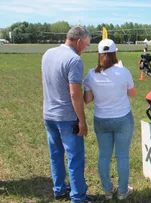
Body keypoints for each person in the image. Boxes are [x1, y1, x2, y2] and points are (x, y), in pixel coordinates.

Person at [41, 26, 94, 202]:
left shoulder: (48, 53)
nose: (85, 49)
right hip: (67, 117)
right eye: (86, 45)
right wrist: (82, 120)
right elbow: (75, 94)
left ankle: (59, 188)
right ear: (78, 41)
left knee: (55, 154)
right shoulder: (74, 60)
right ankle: (78, 197)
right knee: (75, 158)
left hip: (49, 114)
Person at [84, 39, 136, 200]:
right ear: (115, 53)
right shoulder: (124, 71)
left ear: (99, 54)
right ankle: (122, 191)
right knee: (122, 156)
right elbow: (132, 94)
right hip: (122, 118)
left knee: (104, 156)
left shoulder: (91, 74)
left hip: (101, 120)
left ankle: (107, 190)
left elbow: (87, 99)